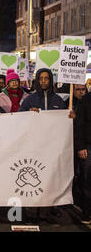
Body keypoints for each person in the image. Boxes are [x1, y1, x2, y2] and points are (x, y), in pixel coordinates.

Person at [18, 68, 67, 225]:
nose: (44, 81)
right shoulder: (29, 100)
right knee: (33, 179)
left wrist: (71, 117)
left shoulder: (59, 101)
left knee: (49, 180)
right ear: (37, 80)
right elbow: (19, 119)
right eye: (41, 78)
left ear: (51, 80)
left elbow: (64, 123)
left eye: (47, 78)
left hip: (52, 148)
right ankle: (31, 213)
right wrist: (28, 115)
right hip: (34, 147)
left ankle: (46, 213)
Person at [72, 84, 90, 224]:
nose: (80, 92)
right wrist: (81, 146)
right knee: (87, 181)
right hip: (88, 147)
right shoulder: (86, 100)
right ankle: (87, 212)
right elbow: (80, 124)